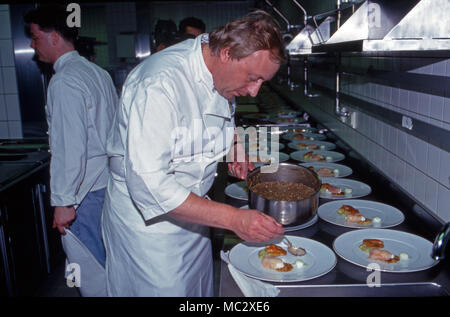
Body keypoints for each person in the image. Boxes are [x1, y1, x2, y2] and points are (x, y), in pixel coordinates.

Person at [102, 10, 285, 296]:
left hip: (195, 211)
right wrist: (234, 219)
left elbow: (217, 114)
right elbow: (150, 185)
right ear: (226, 53)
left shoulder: (215, 68)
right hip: (151, 229)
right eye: (252, 78)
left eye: (262, 81)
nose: (253, 91)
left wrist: (233, 146)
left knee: (197, 292)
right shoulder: (159, 84)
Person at [24, 5, 118, 267]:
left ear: (54, 37)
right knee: (108, 261)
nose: (33, 45)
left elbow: (70, 146)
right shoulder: (97, 73)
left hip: (83, 193)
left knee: (90, 267)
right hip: (105, 184)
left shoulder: (65, 80)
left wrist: (64, 201)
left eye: (35, 37)